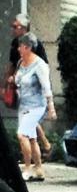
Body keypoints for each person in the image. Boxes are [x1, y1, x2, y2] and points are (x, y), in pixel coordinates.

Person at [9, 33, 56, 181]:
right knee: (32, 138)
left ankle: (28, 168)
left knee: (22, 135)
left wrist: (51, 106)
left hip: (37, 106)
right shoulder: (21, 63)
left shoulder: (40, 65)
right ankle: (39, 169)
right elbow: (18, 81)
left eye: (20, 46)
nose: (18, 49)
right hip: (24, 105)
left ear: (28, 47)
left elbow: (46, 87)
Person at [5, 13, 52, 158]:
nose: (13, 29)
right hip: (21, 86)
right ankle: (39, 149)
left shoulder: (33, 43)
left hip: (34, 90)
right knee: (28, 119)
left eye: (15, 26)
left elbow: (43, 67)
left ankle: (43, 146)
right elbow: (13, 63)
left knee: (28, 121)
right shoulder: (15, 43)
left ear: (23, 28)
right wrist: (7, 81)